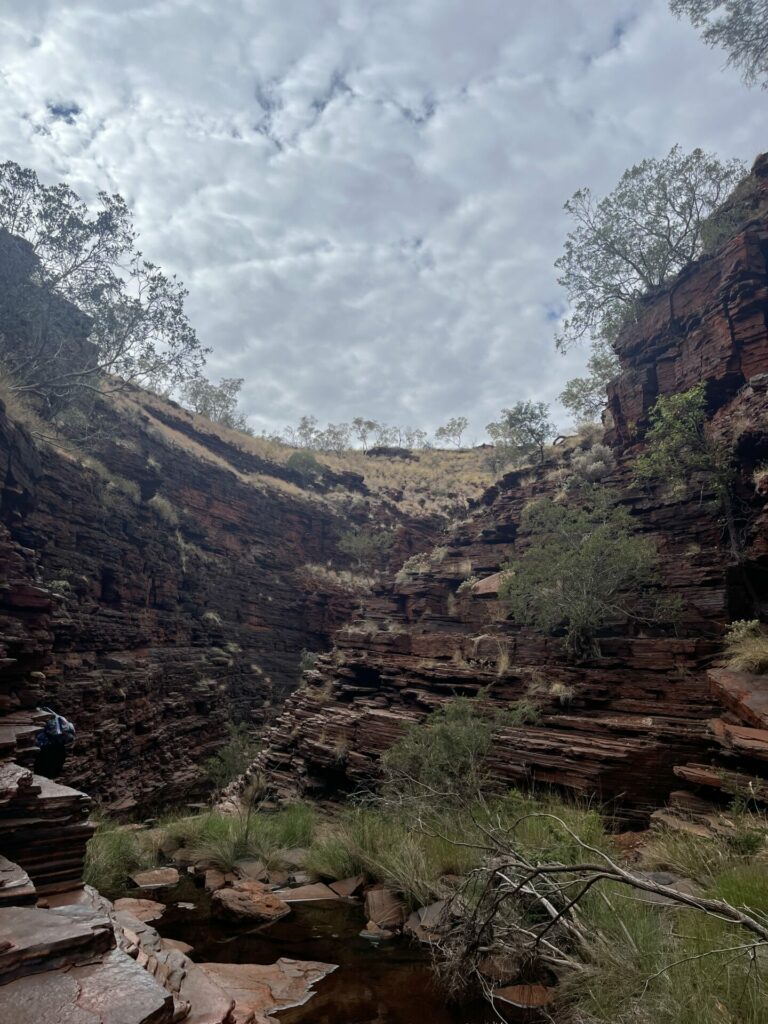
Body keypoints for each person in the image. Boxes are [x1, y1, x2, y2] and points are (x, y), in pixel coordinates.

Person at [34, 707, 76, 779]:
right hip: (57, 748)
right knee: (54, 766)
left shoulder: (47, 717)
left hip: (47, 748)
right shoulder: (53, 715)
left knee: (45, 767)